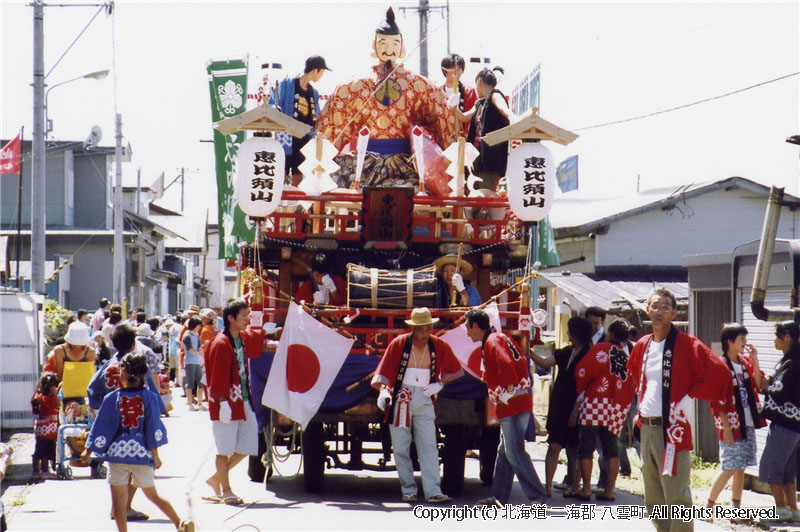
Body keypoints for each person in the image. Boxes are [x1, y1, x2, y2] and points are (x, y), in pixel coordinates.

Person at [627, 288, 731, 532]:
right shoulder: (643, 344)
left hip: (673, 428)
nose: (659, 311)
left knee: (677, 496)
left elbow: (720, 371)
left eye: (665, 306)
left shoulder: (686, 343)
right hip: (648, 427)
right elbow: (634, 376)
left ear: (674, 312)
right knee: (653, 498)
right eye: (655, 306)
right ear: (646, 310)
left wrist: (690, 395)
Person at [316, 8, 456, 189]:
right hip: (364, 164)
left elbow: (442, 119)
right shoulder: (354, 86)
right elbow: (331, 128)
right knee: (332, 185)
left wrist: (450, 159)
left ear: (401, 46)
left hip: (406, 165)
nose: (389, 49)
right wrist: (321, 159)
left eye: (394, 43)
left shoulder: (421, 86)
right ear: (374, 45)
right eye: (383, 43)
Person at [83, 352, 194, 532]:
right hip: (142, 454)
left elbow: (102, 425)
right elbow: (152, 427)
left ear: (123, 372)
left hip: (117, 456)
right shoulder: (149, 397)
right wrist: (156, 455)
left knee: (119, 503)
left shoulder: (112, 398)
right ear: (144, 374)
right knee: (153, 494)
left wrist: (88, 450)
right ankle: (179, 523)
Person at [371, 307, 463, 504]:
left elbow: (455, 370)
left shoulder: (439, 344)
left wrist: (440, 383)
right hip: (401, 396)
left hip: (425, 397)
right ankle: (408, 489)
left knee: (429, 445)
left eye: (428, 328)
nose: (424, 333)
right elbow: (384, 371)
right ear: (413, 328)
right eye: (420, 329)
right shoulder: (399, 344)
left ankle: (433, 491)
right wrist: (383, 391)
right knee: (401, 447)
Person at [465, 308, 546, 507]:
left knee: (514, 452)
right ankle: (498, 497)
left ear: (476, 326)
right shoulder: (499, 337)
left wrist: (508, 391)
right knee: (505, 451)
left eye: (467, 328)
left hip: (512, 402)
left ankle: (538, 497)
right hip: (517, 400)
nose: (467, 332)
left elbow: (507, 364)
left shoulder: (492, 341)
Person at [87, 324, 165, 523]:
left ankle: (118, 507)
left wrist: (99, 410)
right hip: (135, 423)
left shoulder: (108, 366)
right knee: (135, 463)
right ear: (133, 344)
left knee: (119, 468)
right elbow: (153, 397)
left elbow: (92, 389)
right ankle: (124, 507)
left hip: (111, 423)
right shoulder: (135, 365)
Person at [205, 299, 265, 505]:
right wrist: (222, 402)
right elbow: (217, 375)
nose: (248, 319)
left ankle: (215, 479)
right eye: (244, 315)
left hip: (242, 399)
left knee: (248, 444)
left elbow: (257, 339)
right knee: (224, 448)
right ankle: (226, 490)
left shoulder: (240, 337)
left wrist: (270, 330)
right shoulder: (220, 343)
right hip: (226, 402)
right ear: (231, 318)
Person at [705, 323, 765, 520]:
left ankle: (735, 510)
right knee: (730, 466)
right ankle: (708, 507)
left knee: (741, 466)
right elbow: (715, 399)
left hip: (747, 420)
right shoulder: (719, 365)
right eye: (741, 340)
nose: (745, 344)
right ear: (729, 341)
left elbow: (758, 384)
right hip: (730, 423)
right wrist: (727, 428)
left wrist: (755, 361)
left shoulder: (745, 362)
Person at [573, 319, 635, 501]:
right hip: (616, 407)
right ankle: (609, 490)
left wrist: (582, 389)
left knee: (586, 448)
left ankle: (586, 489)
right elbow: (631, 385)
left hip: (594, 403)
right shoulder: (625, 357)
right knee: (612, 450)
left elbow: (582, 371)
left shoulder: (600, 350)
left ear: (610, 334)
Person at [529, 316, 592, 497]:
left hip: (578, 406)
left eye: (569, 330)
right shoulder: (566, 351)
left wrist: (575, 412)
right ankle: (547, 486)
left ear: (575, 332)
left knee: (575, 449)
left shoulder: (590, 354)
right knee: (554, 445)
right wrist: (528, 351)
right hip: (558, 404)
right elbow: (545, 362)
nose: (567, 333)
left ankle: (574, 485)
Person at [757, 321, 800, 524]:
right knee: (788, 470)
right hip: (793, 425)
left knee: (772, 466)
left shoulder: (793, 362)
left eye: (776, 335)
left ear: (787, 337)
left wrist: (766, 386)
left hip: (786, 423)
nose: (773, 340)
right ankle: (794, 510)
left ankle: (780, 510)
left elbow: (781, 392)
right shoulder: (789, 360)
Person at [272, 55, 330, 181]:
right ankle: (279, 200)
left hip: (303, 139)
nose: (321, 76)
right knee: (282, 171)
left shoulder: (313, 93)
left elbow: (316, 118)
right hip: (286, 135)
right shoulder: (287, 85)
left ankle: (296, 201)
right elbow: (274, 103)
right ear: (315, 70)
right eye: (322, 72)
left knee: (298, 175)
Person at [455, 67, 512, 192]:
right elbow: (463, 117)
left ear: (480, 82)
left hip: (490, 160)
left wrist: (512, 117)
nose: (476, 89)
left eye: (476, 85)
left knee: (484, 195)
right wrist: (453, 105)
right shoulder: (479, 103)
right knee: (472, 194)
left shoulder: (495, 95)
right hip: (476, 159)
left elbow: (504, 109)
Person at [440, 53, 477, 137]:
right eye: (453, 71)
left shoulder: (470, 92)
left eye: (459, 70)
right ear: (445, 71)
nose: (456, 74)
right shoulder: (438, 92)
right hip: (443, 138)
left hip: (464, 139)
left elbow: (475, 118)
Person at [31, 372, 60, 481]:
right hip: (49, 425)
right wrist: (55, 394)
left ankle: (36, 470)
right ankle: (44, 470)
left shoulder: (38, 395)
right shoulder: (48, 397)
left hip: (41, 424)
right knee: (46, 447)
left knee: (40, 446)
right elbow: (58, 405)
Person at [182, 317, 204, 411]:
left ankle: (200, 403)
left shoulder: (196, 335)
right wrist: (198, 351)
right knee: (190, 383)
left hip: (197, 361)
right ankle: (190, 403)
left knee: (201, 383)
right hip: (189, 361)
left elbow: (198, 347)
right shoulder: (187, 336)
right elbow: (190, 350)